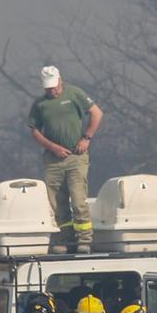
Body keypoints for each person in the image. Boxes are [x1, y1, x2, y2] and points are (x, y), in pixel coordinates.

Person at [27, 65, 103, 254]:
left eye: (53, 87)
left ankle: (84, 239)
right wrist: (52, 147)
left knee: (78, 199)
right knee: (57, 202)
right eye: (47, 88)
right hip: (53, 160)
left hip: (76, 157)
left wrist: (86, 138)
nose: (51, 91)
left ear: (60, 81)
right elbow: (34, 131)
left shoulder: (74, 94)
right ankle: (65, 238)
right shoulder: (40, 104)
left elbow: (97, 113)